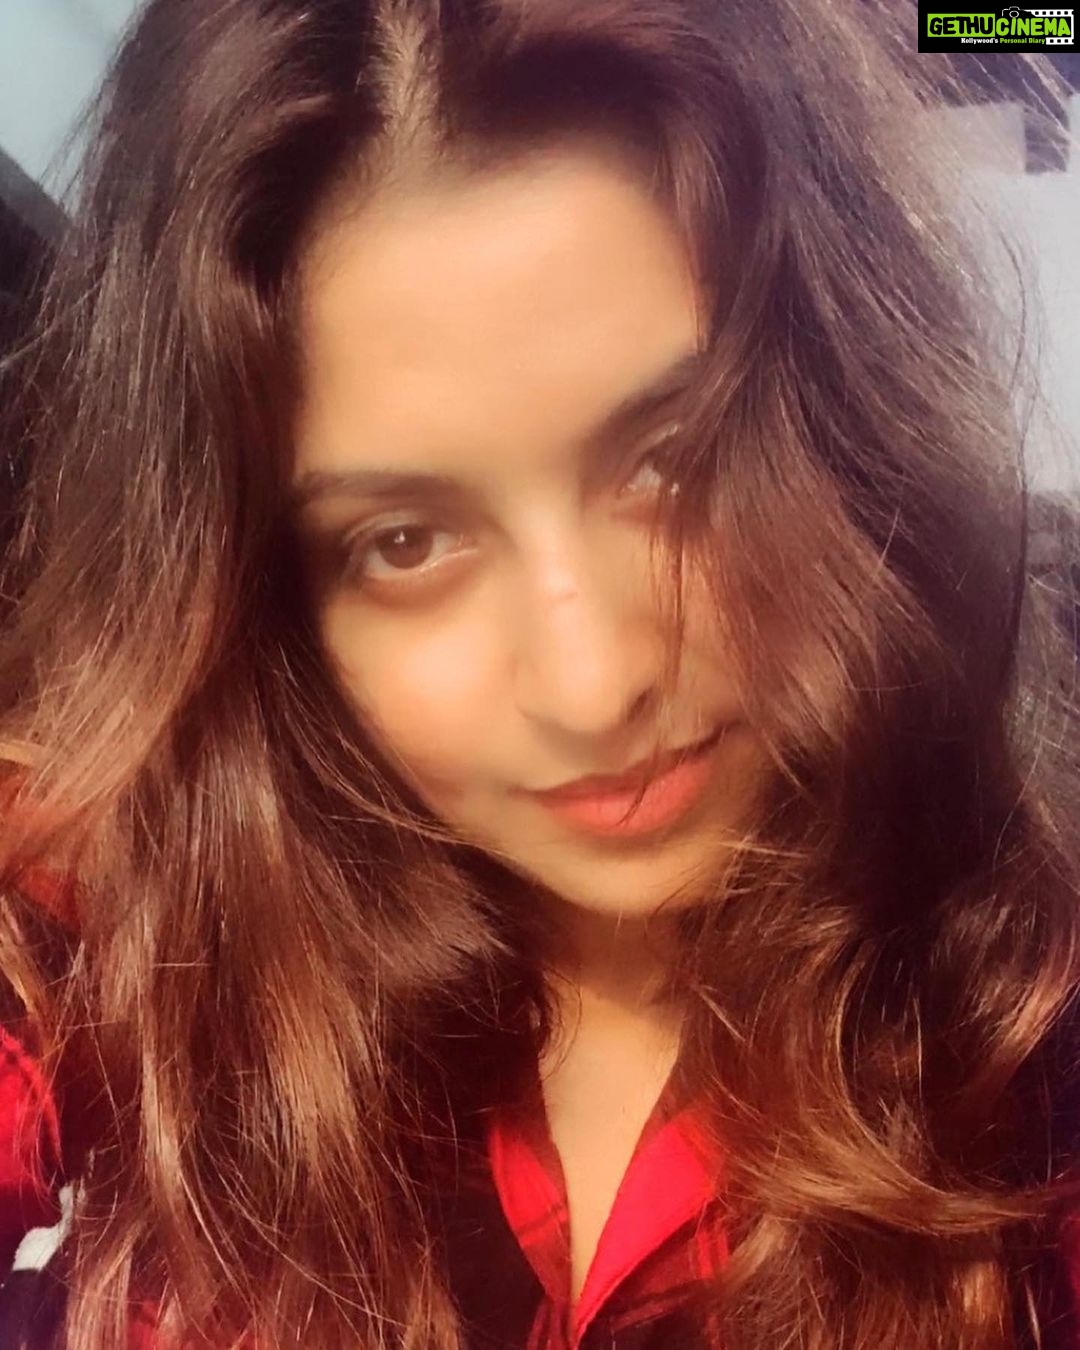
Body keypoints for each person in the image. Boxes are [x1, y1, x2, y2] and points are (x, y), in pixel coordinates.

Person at [0, 0, 1078, 1345]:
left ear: (854, 424)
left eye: (677, 462)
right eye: (405, 542)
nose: (591, 685)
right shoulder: (133, 951)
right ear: (264, 603)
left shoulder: (1031, 1060)